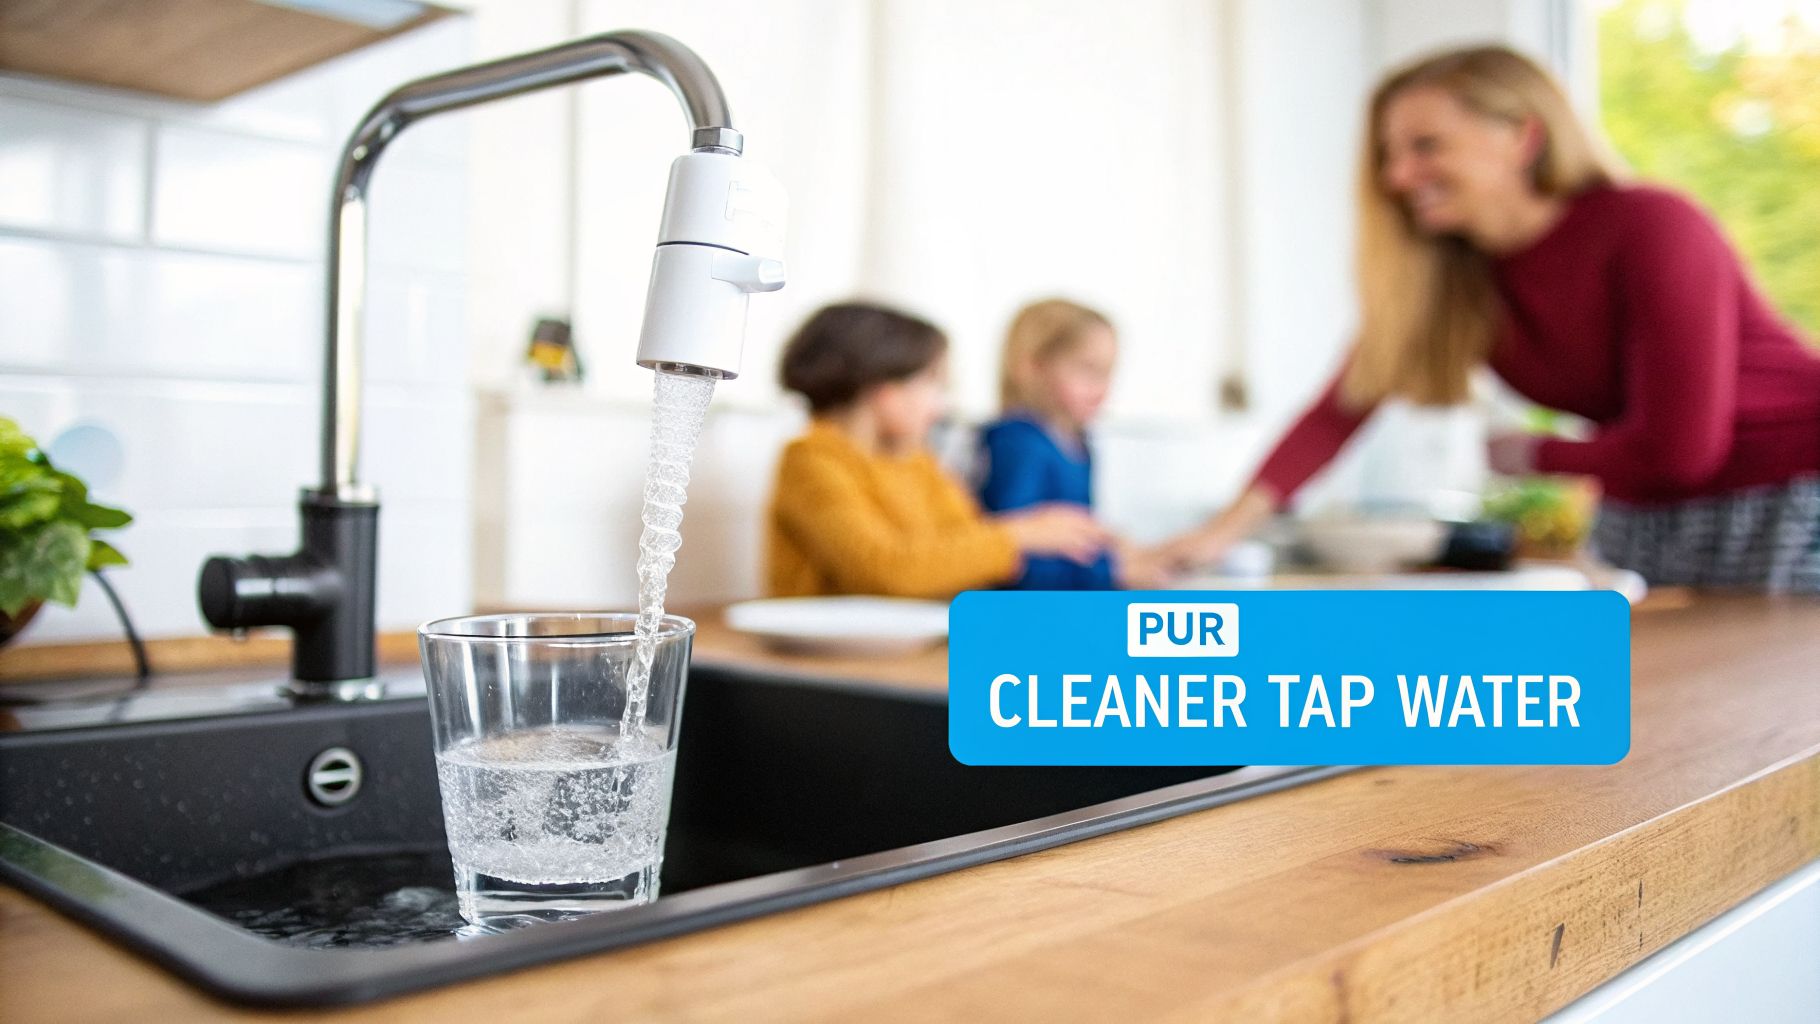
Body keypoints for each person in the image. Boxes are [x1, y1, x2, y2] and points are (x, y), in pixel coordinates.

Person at [1161, 45, 1820, 591]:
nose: (1398, 176)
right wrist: (1216, 535)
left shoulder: (1652, 226)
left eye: (1425, 146)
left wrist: (1529, 452)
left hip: (1792, 496)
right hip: (1651, 518)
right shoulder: (1456, 282)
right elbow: (1338, 411)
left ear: (1523, 137)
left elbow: (1680, 453)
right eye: (1390, 155)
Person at [766, 302, 1110, 598]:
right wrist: (1019, 535)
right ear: (884, 390)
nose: (940, 407)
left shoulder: (916, 461)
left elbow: (966, 543)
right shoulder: (810, 460)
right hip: (821, 661)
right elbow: (884, 569)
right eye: (934, 384)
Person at [976, 298, 1131, 589]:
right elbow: (1014, 555)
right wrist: (1111, 571)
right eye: (1087, 370)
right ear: (1031, 366)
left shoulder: (1081, 444)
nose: (1102, 388)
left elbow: (1078, 539)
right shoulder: (1017, 442)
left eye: (1108, 373)